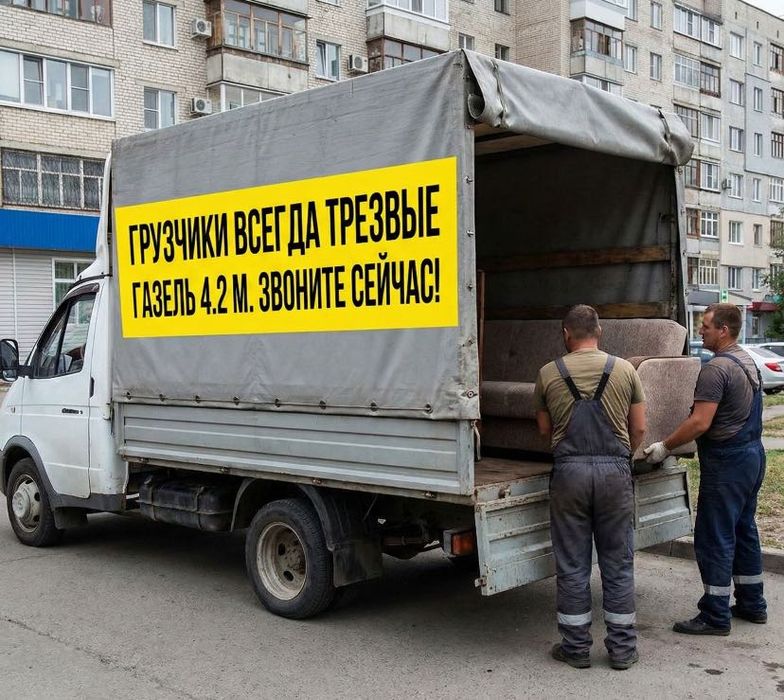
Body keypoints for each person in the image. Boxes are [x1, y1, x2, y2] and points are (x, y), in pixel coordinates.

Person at [644, 303, 767, 635]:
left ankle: (715, 614)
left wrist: (665, 446)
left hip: (728, 463)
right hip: (752, 456)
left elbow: (700, 422)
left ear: (724, 330)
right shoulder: (747, 361)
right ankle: (752, 603)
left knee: (715, 536)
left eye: (707, 326)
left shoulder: (716, 369)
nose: (700, 331)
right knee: (743, 529)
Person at [535, 305, 646, 670]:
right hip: (615, 473)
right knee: (618, 563)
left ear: (566, 334)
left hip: (570, 475)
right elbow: (639, 428)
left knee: (572, 564)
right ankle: (623, 650)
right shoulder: (625, 369)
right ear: (599, 332)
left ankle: (576, 648)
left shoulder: (548, 373)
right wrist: (622, 456)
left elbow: (544, 430)